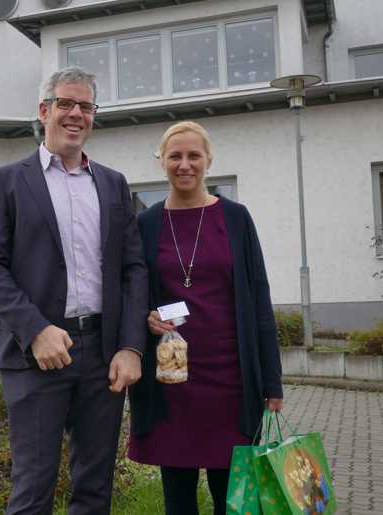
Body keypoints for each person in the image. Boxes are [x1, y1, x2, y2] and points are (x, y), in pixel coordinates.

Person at [0, 67, 148, 515]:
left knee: (94, 491)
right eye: (66, 104)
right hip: (36, 356)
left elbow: (133, 269)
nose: (76, 114)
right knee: (33, 491)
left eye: (85, 106)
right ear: (44, 110)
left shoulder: (112, 184)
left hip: (103, 354)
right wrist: (35, 330)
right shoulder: (8, 181)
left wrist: (131, 346)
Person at [127, 121, 283, 515]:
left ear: (208, 160)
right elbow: (134, 294)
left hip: (231, 381)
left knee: (233, 500)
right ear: (161, 161)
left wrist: (272, 382)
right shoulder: (145, 224)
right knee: (178, 498)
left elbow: (259, 299)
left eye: (193, 155)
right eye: (174, 156)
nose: (184, 164)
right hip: (171, 380)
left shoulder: (235, 218)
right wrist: (146, 319)